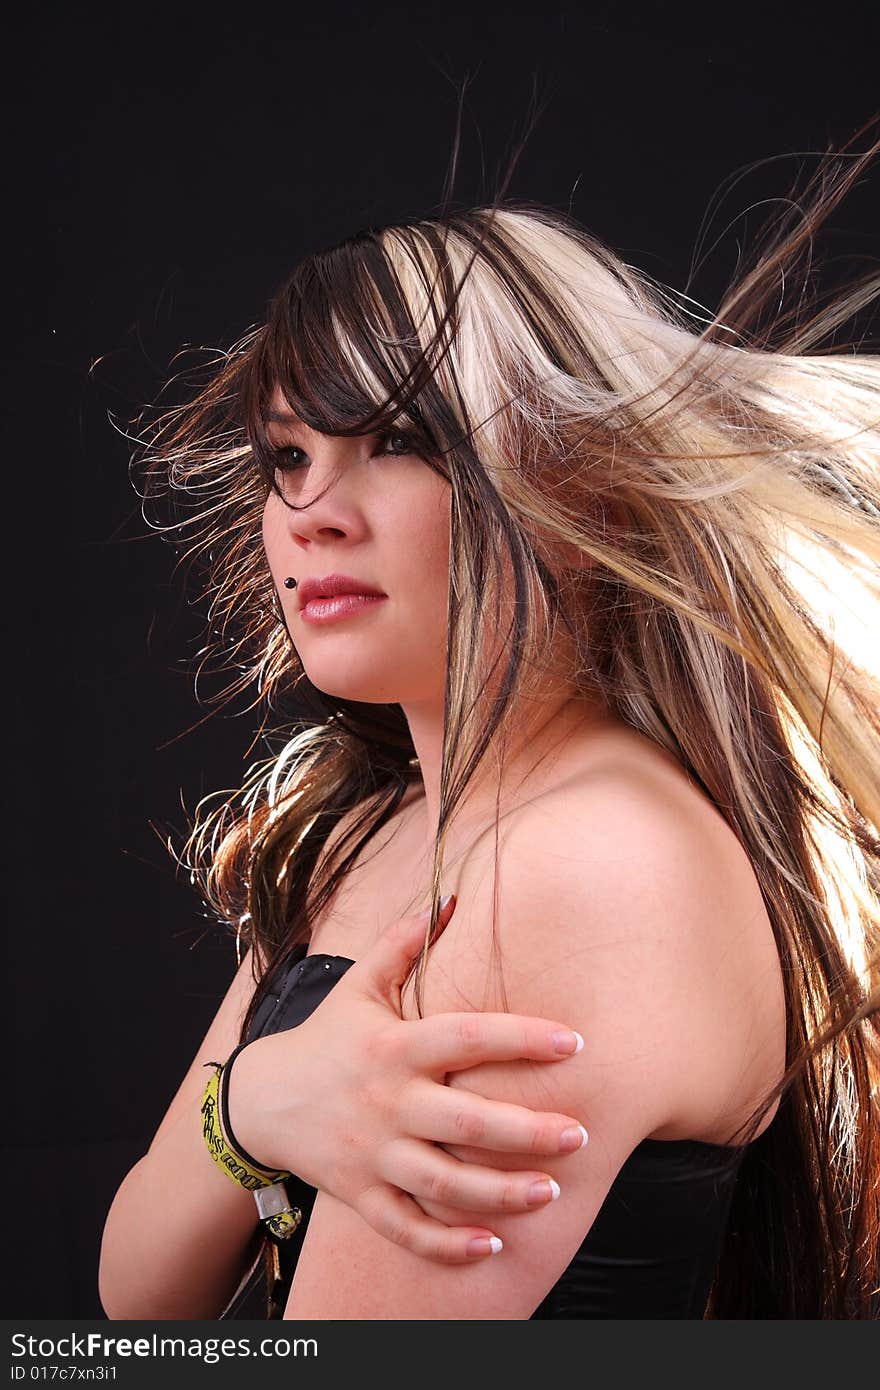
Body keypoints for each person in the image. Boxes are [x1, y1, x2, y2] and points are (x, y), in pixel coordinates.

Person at [99, 127, 880, 1320]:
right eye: (287, 455)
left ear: (575, 487)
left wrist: (250, 1128)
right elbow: (137, 1298)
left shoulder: (586, 865)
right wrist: (255, 1106)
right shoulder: (368, 830)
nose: (310, 510)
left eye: (398, 441)